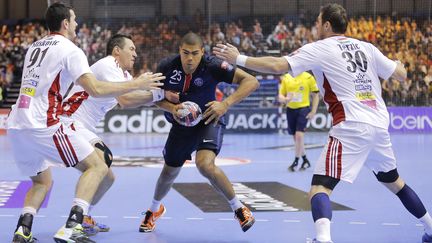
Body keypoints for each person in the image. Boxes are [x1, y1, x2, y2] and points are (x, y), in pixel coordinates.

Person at [213, 3, 432, 243]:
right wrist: (398, 63)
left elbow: (277, 66)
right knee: (395, 182)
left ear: (327, 24)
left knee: (319, 189)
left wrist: (239, 58)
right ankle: (430, 228)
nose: (316, 26)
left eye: (318, 22)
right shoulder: (366, 47)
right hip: (379, 125)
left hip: (351, 125)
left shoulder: (319, 48)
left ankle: (323, 240)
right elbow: (401, 74)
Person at [7, 3, 163, 243]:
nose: (77, 24)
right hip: (44, 123)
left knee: (42, 181)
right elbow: (96, 89)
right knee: (98, 165)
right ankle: (73, 226)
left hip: (16, 125)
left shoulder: (34, 47)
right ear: (65, 23)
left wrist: (154, 94)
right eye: (74, 19)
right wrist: (139, 83)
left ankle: (22, 230)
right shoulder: (71, 49)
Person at [139, 32, 259, 233]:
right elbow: (154, 97)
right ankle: (153, 209)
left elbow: (251, 81)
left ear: (202, 52)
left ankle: (239, 208)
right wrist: (172, 108)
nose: (190, 58)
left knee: (204, 165)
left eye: (195, 53)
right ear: (180, 50)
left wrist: (225, 104)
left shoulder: (213, 65)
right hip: (181, 125)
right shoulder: (167, 66)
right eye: (185, 53)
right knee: (168, 173)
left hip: (209, 119)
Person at [61, 33, 168, 235]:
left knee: (108, 177)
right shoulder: (109, 64)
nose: (135, 54)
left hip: (82, 127)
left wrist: (166, 101)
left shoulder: (124, 76)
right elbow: (127, 99)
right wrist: (160, 95)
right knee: (104, 158)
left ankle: (83, 216)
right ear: (117, 51)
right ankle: (74, 221)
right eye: (132, 49)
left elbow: (134, 99)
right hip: (70, 121)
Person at [278, 72, 319, 171]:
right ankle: (305, 159)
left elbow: (316, 95)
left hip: (303, 109)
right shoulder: (286, 77)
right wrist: (285, 99)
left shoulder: (308, 77)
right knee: (296, 139)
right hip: (290, 110)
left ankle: (296, 161)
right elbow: (280, 96)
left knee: (299, 135)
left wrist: (313, 111)